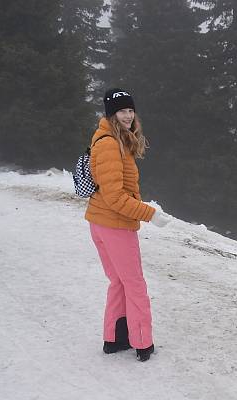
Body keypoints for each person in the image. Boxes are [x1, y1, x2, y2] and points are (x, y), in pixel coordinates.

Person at [85, 88, 157, 362]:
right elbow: (115, 196)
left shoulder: (114, 140)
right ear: (111, 114)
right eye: (121, 111)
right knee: (134, 284)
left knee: (119, 281)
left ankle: (114, 339)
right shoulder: (109, 144)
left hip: (102, 221)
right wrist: (150, 213)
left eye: (130, 110)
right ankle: (142, 342)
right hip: (115, 224)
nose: (127, 116)